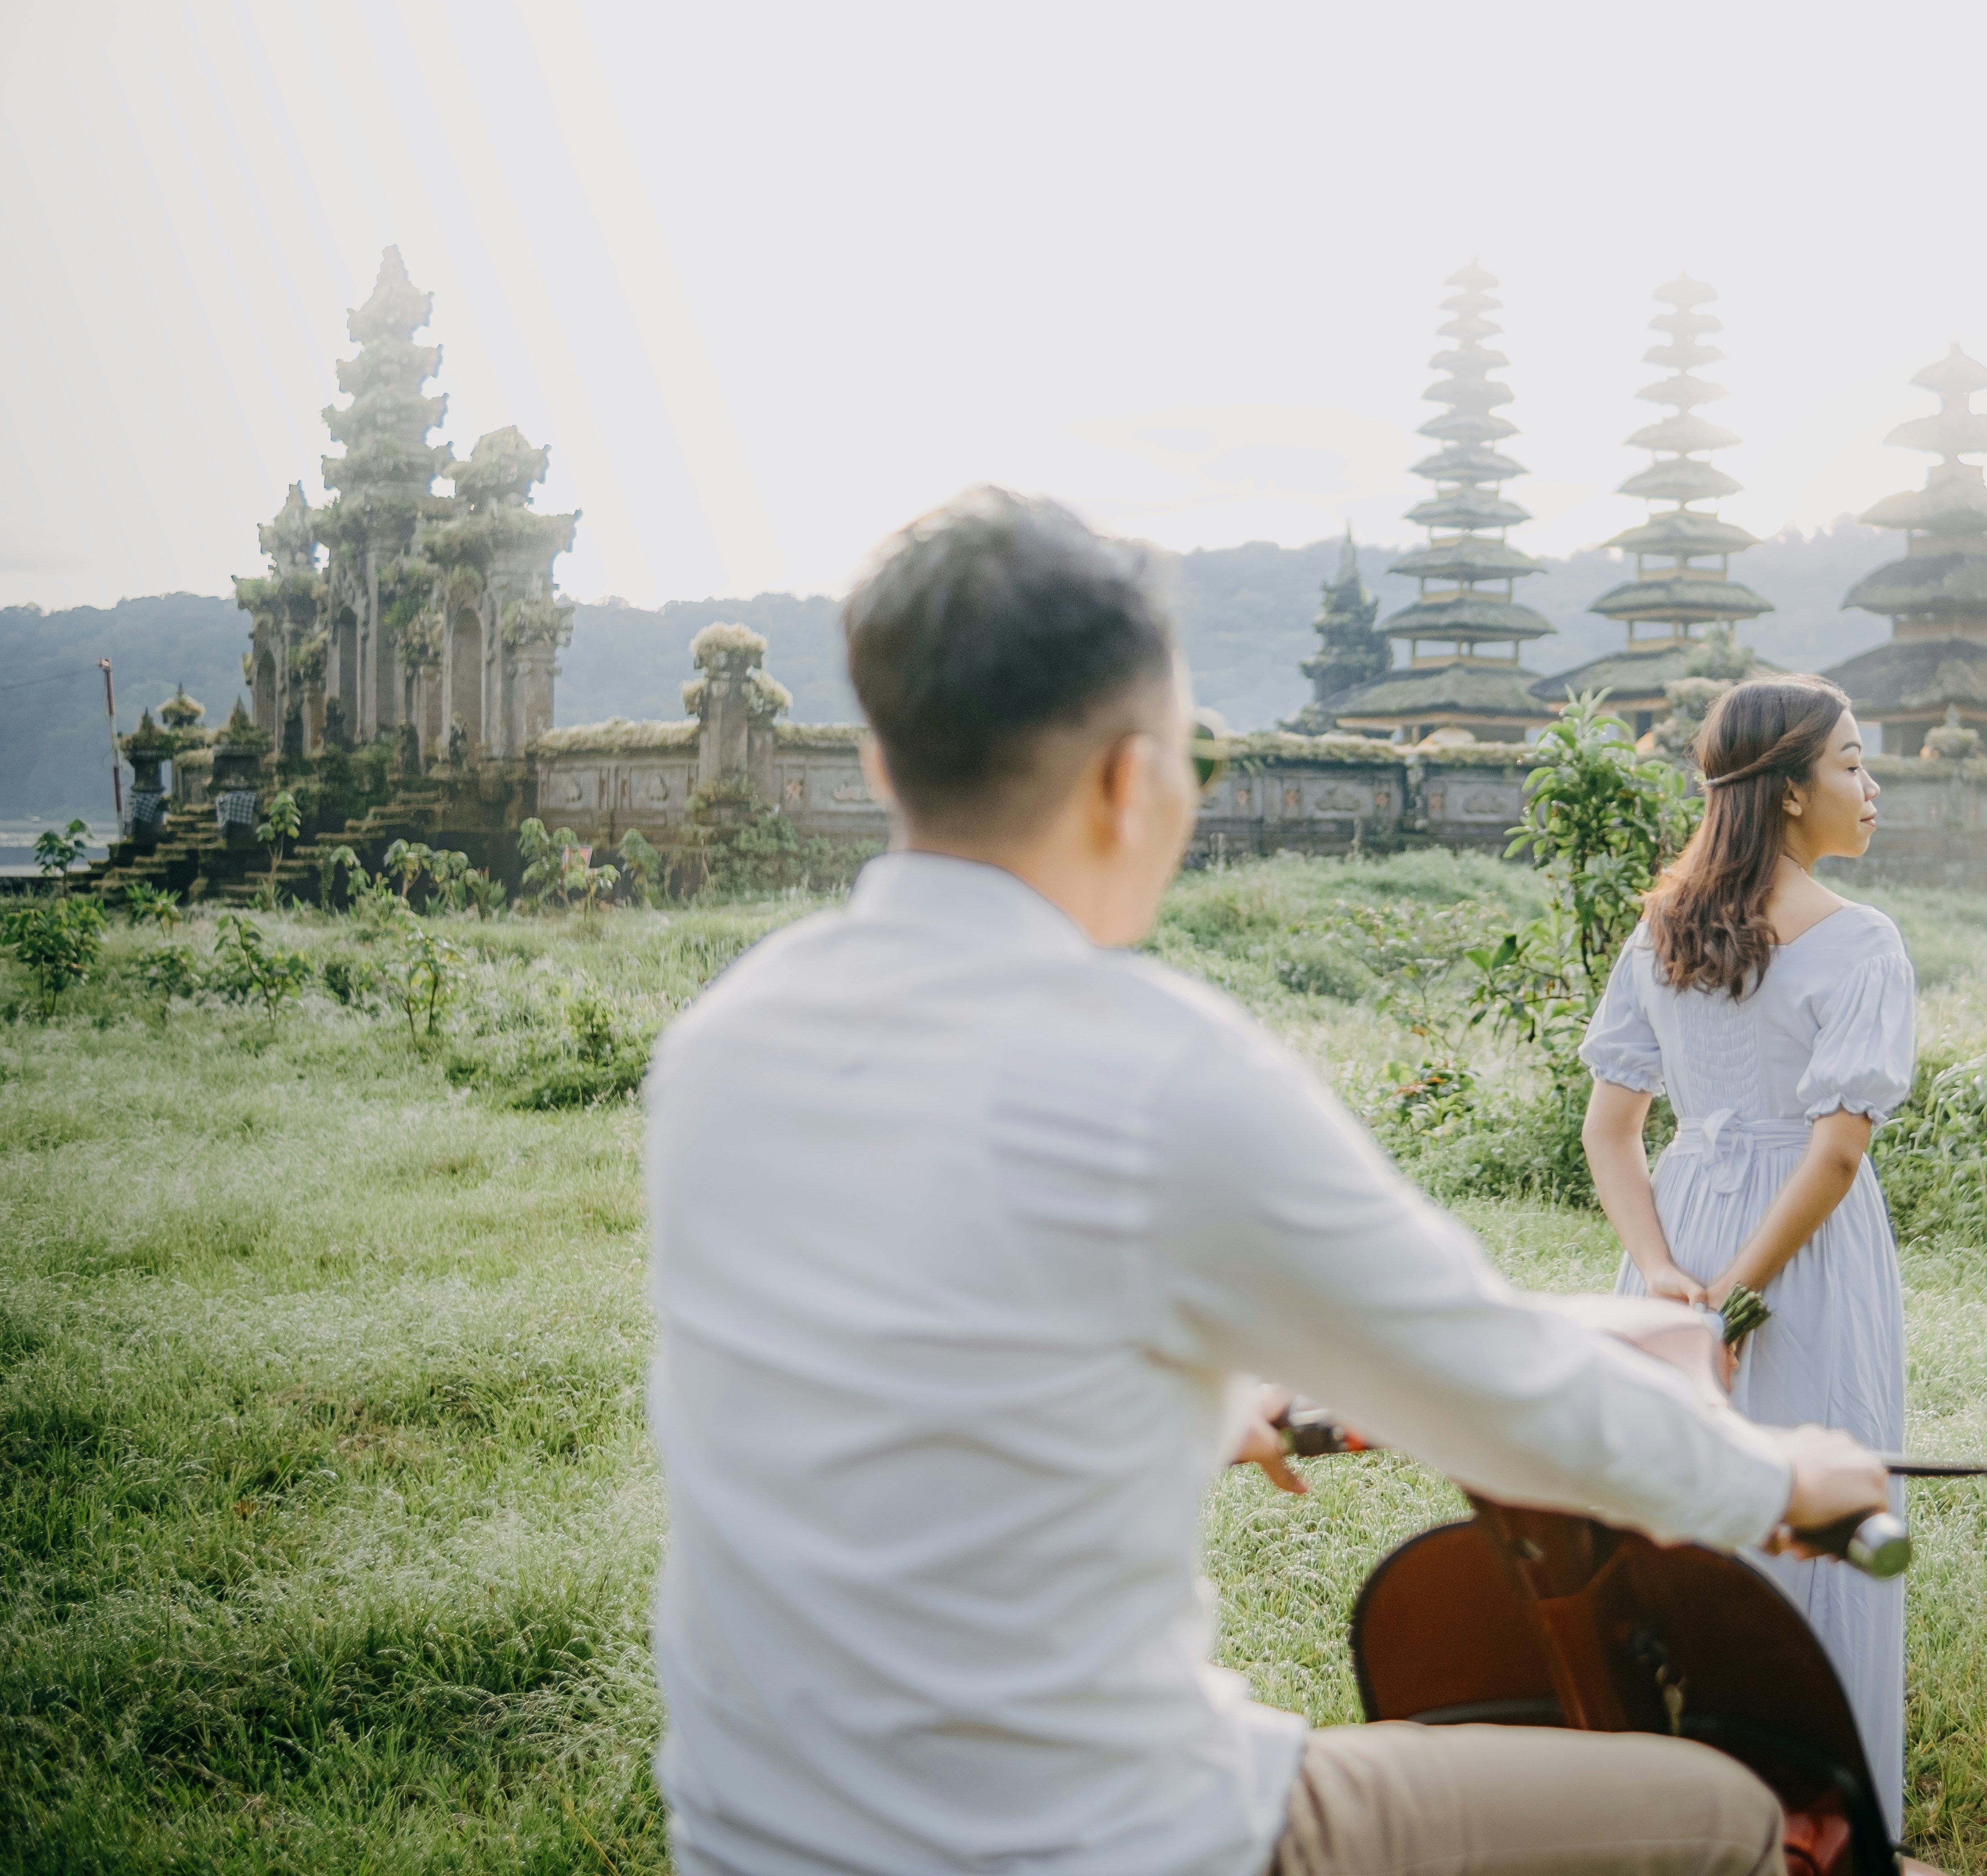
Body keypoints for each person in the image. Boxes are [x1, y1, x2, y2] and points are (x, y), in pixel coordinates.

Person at [643, 489, 1894, 1876]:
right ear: (1134, 781)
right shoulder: (1160, 1070)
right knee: (1744, 1817)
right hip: (1110, 1842)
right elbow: (1496, 1381)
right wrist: (1776, 1473)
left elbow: (915, 1359)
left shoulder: (722, 1047)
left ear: (884, 763)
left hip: (743, 1837)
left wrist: (1206, 1402)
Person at [1577, 675, 1918, 1838]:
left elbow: (1610, 1132)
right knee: (1818, 1495)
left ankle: (1686, 1808)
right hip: (1798, 1253)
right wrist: (1741, 1291)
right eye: (1854, 765)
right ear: (1786, 793)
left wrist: (1670, 1276)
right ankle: (1824, 1815)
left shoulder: (1663, 923)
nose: (1873, 790)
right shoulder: (1862, 942)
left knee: (1689, 1505)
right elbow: (1830, 1159)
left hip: (1679, 1233)